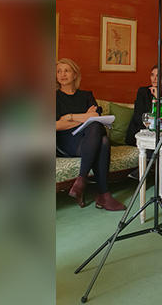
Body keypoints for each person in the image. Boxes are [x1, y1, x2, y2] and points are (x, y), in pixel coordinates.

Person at [56, 58, 125, 211]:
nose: (62, 74)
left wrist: (69, 117)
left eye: (66, 70)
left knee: (101, 136)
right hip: (65, 143)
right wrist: (83, 117)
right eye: (59, 71)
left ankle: (82, 180)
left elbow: (95, 116)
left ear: (75, 74)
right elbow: (56, 125)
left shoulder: (86, 95)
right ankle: (102, 194)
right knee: (99, 134)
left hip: (86, 141)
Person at [125, 64, 162, 195]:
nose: (154, 79)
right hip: (140, 133)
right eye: (152, 75)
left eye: (158, 76)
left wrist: (158, 98)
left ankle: (147, 169)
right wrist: (151, 119)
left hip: (159, 134)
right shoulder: (143, 92)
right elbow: (138, 116)